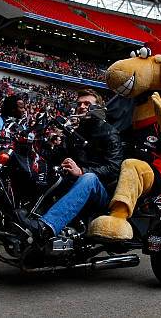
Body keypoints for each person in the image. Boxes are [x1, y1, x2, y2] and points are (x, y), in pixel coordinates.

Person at [18, 89, 123, 241]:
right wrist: (43, 146)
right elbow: (60, 155)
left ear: (98, 107)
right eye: (79, 103)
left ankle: (46, 227)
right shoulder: (75, 131)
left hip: (100, 190)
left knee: (89, 178)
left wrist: (82, 171)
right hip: (74, 184)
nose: (82, 106)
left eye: (87, 103)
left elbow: (114, 168)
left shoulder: (110, 132)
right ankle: (29, 213)